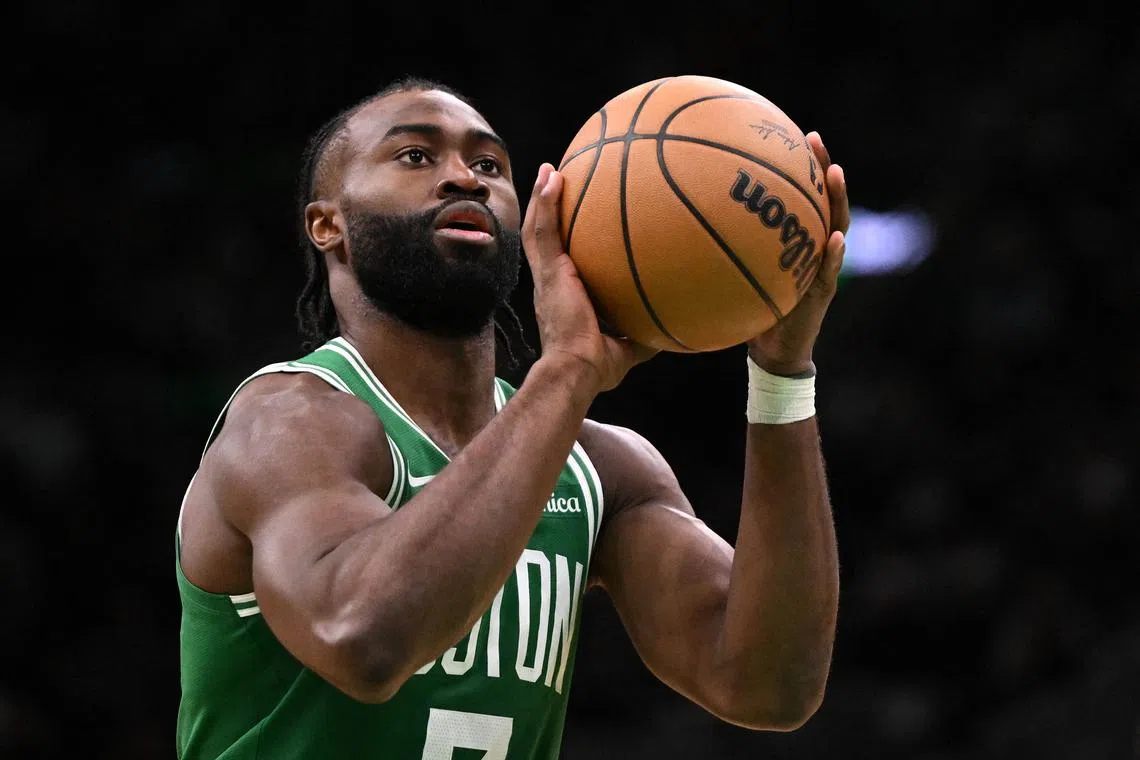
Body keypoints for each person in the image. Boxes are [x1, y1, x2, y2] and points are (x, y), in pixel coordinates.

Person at [174, 75, 849, 760]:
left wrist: (781, 374)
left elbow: (768, 687)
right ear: (329, 225)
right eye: (416, 156)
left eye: (490, 164)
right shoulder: (290, 424)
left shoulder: (599, 469)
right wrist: (567, 373)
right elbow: (362, 638)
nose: (464, 178)